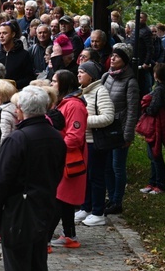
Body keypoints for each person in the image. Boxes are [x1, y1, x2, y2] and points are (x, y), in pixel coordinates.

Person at [0, 86, 66, 271]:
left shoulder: (17, 138)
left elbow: (1, 180)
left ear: (20, 110)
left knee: (18, 265)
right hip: (46, 205)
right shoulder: (55, 136)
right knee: (37, 264)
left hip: (19, 208)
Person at [48, 69, 88, 249]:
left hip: (68, 158)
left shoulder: (74, 106)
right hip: (63, 156)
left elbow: (75, 136)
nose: (51, 84)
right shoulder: (63, 103)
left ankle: (44, 239)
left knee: (58, 198)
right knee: (64, 198)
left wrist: (55, 147)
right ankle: (69, 234)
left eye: (54, 81)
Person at [74, 61, 114, 226]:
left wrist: (83, 121)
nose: (79, 74)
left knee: (96, 177)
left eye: (82, 72)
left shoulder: (100, 91)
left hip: (95, 142)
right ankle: (86, 206)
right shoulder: (84, 92)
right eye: (78, 71)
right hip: (84, 141)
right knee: (86, 176)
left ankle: (98, 212)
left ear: (91, 75)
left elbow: (108, 117)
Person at [101, 43, 139, 214]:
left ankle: (118, 201)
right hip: (105, 128)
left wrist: (128, 135)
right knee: (107, 165)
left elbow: (132, 111)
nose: (113, 58)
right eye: (112, 55)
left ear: (124, 60)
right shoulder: (107, 76)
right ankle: (111, 196)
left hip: (120, 130)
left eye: (117, 56)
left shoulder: (130, 82)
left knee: (118, 166)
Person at [140, 64, 165, 194]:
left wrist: (146, 109)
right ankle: (153, 182)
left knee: (155, 154)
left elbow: (154, 108)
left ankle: (159, 184)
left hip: (157, 123)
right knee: (153, 154)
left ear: (156, 75)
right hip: (161, 121)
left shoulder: (159, 89)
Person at [0, 21, 34, 89]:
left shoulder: (24, 55)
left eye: (5, 33)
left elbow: (29, 78)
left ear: (13, 34)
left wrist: (13, 85)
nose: (1, 36)